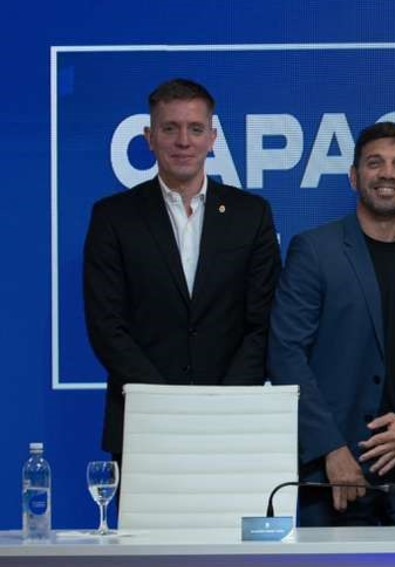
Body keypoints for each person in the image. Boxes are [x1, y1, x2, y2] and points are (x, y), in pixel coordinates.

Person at [268, 122, 395, 526]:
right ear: (354, 177)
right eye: (375, 163)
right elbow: (286, 355)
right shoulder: (314, 251)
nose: (387, 173)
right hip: (336, 468)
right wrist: (329, 447)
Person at [83, 78, 281, 459]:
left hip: (233, 422)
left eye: (195, 129)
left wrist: (220, 406)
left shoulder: (251, 215)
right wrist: (166, 405)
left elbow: (264, 323)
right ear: (149, 138)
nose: (183, 141)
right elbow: (107, 327)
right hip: (144, 421)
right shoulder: (113, 217)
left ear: (213, 138)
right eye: (170, 128)